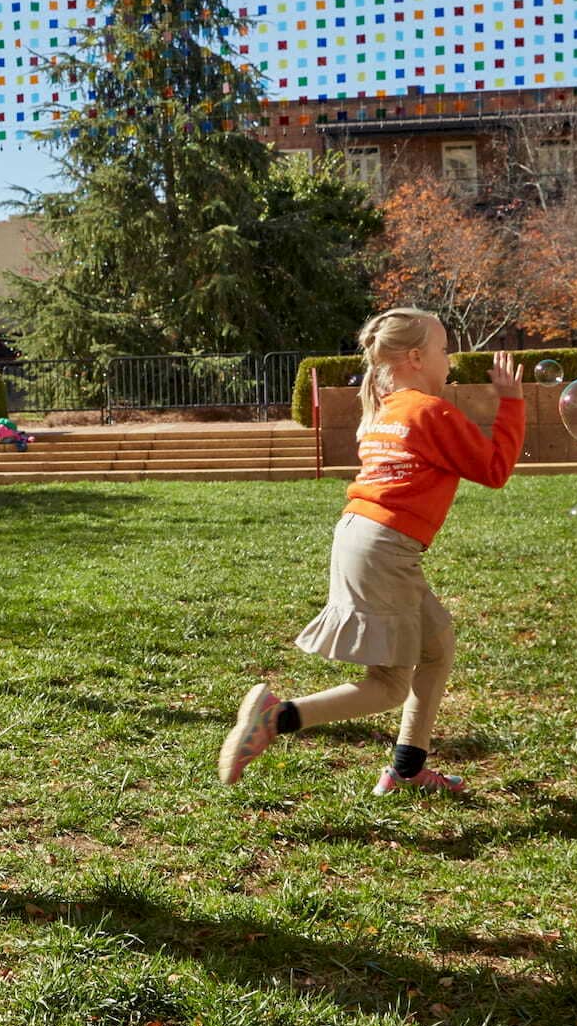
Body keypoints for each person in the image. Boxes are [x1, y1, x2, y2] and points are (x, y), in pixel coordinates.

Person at [219, 310, 522, 797]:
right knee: (388, 684)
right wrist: (511, 402)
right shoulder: (430, 410)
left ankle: (406, 770)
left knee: (437, 646)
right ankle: (277, 717)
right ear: (417, 357)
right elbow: (494, 469)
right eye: (445, 351)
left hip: (362, 537)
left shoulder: (392, 409)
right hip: (386, 547)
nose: (451, 362)